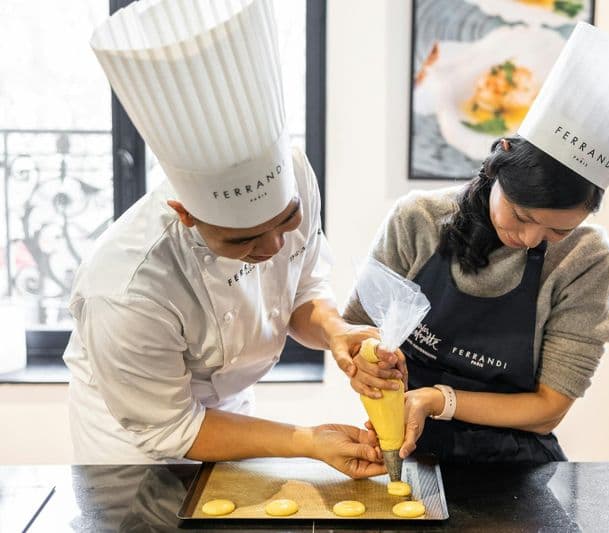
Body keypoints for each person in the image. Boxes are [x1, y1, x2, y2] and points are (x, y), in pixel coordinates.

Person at [64, 0, 393, 477]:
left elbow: (301, 290)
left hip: (233, 417)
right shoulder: (125, 289)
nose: (275, 247)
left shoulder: (296, 173)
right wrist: (305, 441)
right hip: (135, 444)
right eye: (244, 241)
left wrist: (335, 332)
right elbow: (170, 428)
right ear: (185, 213)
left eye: (287, 221)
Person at [343, 22, 609, 463]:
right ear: (496, 167)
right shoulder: (419, 220)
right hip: (405, 447)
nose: (529, 239)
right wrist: (370, 367)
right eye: (521, 216)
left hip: (518, 465)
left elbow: (548, 409)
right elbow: (355, 332)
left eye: (556, 231)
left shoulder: (587, 259)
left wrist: (437, 399)